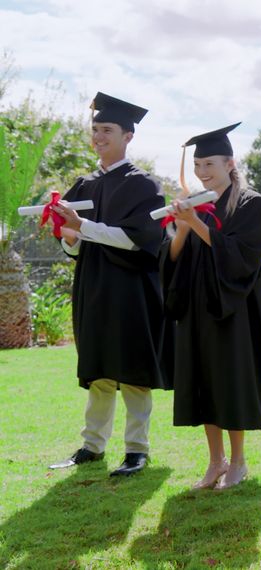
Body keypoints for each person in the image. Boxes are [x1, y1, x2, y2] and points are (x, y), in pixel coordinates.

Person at [48, 92, 170, 477]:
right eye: (95, 129)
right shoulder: (84, 184)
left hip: (131, 289)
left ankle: (137, 450)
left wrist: (82, 226)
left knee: (132, 371)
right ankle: (92, 445)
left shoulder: (144, 186)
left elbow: (137, 239)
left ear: (128, 136)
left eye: (108, 130)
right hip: (94, 286)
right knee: (98, 367)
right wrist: (70, 238)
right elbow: (74, 245)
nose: (99, 136)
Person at [161, 123, 261, 491]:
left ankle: (238, 461)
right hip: (197, 307)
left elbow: (241, 257)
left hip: (232, 307)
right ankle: (215, 462)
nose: (202, 171)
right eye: (198, 165)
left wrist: (196, 222)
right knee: (203, 381)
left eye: (209, 163)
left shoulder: (250, 202)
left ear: (229, 163)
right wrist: (184, 227)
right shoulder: (197, 205)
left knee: (230, 381)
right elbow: (174, 258)